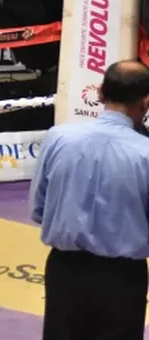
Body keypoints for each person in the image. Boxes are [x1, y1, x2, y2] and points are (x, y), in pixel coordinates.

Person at [29, 60, 149, 340]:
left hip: (64, 270)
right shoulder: (146, 153)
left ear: (100, 92)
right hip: (122, 277)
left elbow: (39, 209)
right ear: (145, 101)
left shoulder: (59, 137)